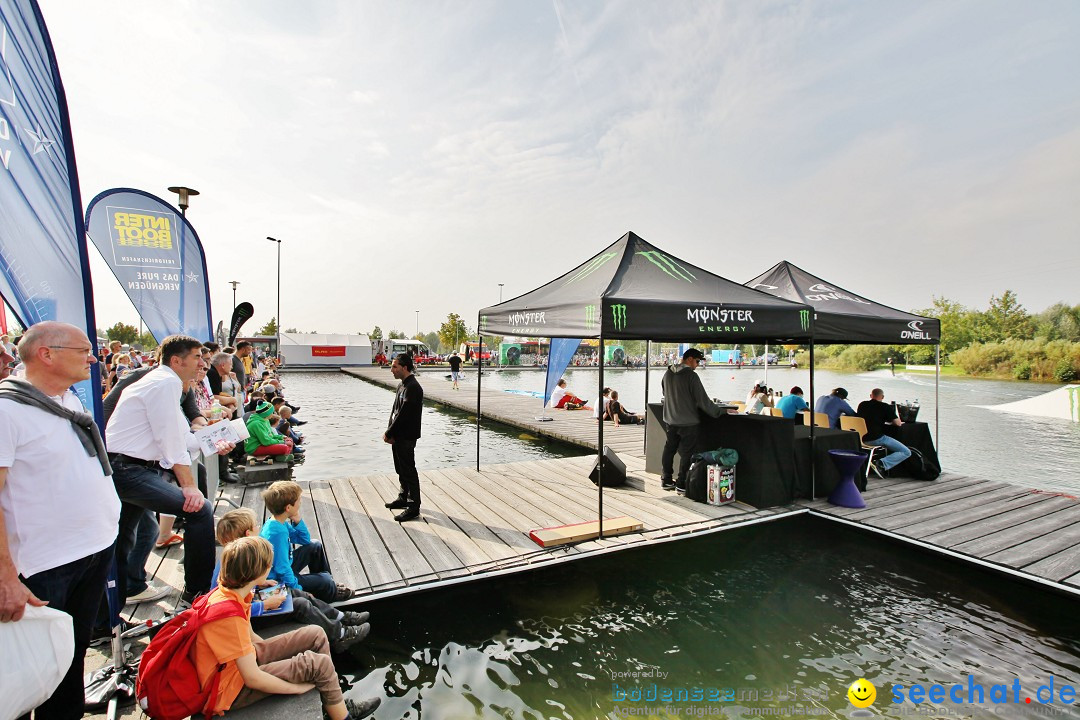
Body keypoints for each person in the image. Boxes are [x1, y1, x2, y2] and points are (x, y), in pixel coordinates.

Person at [0, 322, 120, 718]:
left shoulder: (69, 400)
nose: (93, 358)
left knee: (73, 648)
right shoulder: (7, 410)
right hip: (45, 563)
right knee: (31, 664)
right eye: (83, 350)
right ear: (45, 354)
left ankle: (66, 707)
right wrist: (5, 577)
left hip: (92, 548)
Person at [193, 536, 380, 719]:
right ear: (258, 573)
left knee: (316, 633)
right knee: (318, 665)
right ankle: (342, 716)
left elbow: (252, 640)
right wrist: (296, 688)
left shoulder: (232, 594)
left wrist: (278, 654)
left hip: (240, 664)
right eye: (268, 565)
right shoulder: (229, 615)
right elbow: (252, 678)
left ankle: (332, 699)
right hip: (227, 688)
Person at [106, 334, 221, 608]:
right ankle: (198, 594)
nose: (202, 363)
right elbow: (169, 439)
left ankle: (109, 611)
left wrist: (216, 441)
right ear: (176, 360)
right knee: (200, 510)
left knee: (123, 538)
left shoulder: (163, 382)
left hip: (126, 466)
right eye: (196, 358)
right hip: (128, 468)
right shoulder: (166, 382)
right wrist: (189, 486)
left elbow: (182, 438)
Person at [215, 508, 368, 650]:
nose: (259, 528)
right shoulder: (230, 567)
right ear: (248, 534)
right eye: (256, 526)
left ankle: (340, 616)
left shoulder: (238, 559)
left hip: (253, 603)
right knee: (301, 605)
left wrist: (259, 583)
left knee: (297, 593)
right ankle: (340, 636)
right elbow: (229, 607)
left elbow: (243, 589)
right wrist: (263, 605)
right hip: (251, 619)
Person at [260, 481, 353, 603]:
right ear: (288, 508)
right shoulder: (277, 533)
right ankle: (329, 592)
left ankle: (327, 586)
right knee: (325, 579)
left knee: (314, 545)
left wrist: (297, 520)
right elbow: (282, 569)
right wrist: (299, 591)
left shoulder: (277, 522)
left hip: (286, 565)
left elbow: (304, 540)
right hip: (278, 579)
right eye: (299, 501)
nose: (300, 503)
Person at [660, 348, 723, 492]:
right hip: (688, 422)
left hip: (670, 419)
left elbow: (664, 392)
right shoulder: (691, 376)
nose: (698, 365)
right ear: (689, 359)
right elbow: (703, 401)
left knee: (669, 449)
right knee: (687, 453)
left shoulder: (667, 373)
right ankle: (681, 483)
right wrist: (721, 411)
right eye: (697, 361)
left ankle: (666, 479)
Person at [383, 353, 423, 522]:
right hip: (397, 435)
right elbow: (395, 411)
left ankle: (414, 506)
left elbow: (404, 415)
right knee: (400, 468)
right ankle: (403, 497)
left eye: (394, 366)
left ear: (405, 367)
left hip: (406, 436)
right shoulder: (402, 385)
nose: (392, 370)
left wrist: (390, 432)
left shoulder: (413, 387)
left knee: (408, 469)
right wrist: (389, 431)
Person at [856, 388, 911, 477]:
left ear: (871, 396)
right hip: (875, 438)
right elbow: (897, 423)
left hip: (859, 438)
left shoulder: (862, 404)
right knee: (906, 452)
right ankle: (880, 463)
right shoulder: (885, 406)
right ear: (882, 397)